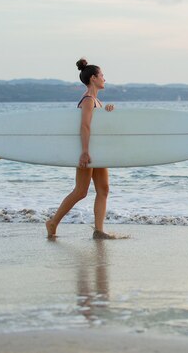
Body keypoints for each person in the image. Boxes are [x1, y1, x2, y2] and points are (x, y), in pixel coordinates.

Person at [46, 58, 125, 239]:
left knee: (103, 190)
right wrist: (84, 152)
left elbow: (99, 126)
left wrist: (109, 111)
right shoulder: (88, 100)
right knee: (81, 191)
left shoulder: (96, 101)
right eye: (102, 75)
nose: (104, 78)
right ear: (93, 79)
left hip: (96, 151)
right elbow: (84, 126)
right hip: (88, 151)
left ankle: (99, 231)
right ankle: (52, 222)